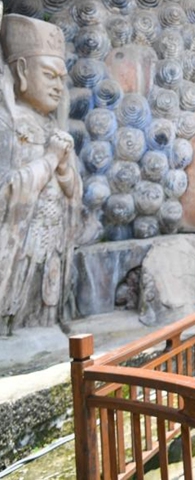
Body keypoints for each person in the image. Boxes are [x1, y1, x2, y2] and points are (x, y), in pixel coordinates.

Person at [0, 14, 82, 335]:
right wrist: (49, 160)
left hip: (52, 244)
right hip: (17, 247)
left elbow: (74, 194)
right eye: (49, 75)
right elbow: (5, 191)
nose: (58, 86)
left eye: (62, 79)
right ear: (21, 70)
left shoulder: (51, 126)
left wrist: (64, 170)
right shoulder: (7, 124)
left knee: (45, 306)